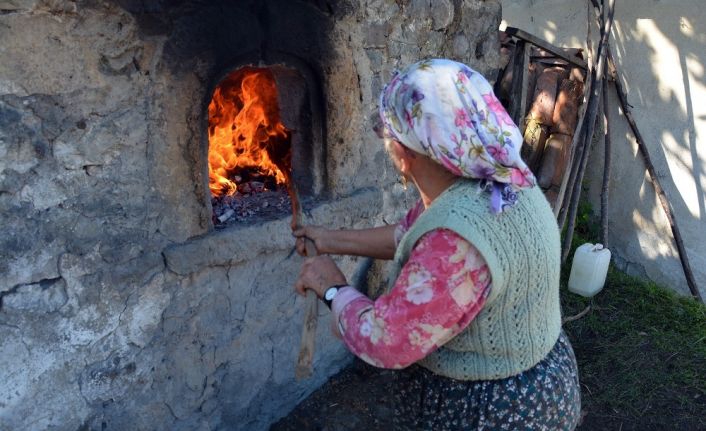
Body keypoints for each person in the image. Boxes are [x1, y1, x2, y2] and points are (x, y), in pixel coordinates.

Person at [293, 59, 581, 430]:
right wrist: (329, 239)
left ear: (403, 154)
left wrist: (332, 289)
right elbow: (410, 234)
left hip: (492, 411)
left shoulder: (455, 242)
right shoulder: (502, 178)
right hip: (541, 378)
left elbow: (385, 341)